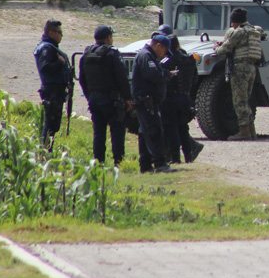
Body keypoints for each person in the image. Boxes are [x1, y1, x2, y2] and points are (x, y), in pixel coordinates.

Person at [78, 25, 133, 166]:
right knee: (117, 132)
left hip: (94, 99)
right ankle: (119, 162)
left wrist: (89, 95)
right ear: (108, 38)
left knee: (99, 132)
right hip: (112, 100)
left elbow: (82, 78)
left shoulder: (87, 53)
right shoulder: (112, 53)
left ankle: (99, 163)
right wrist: (128, 98)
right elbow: (122, 78)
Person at [214, 8, 265, 141]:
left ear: (236, 22)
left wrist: (217, 47)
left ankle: (244, 132)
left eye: (232, 23)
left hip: (240, 68)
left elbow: (224, 50)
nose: (231, 26)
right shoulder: (255, 30)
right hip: (252, 68)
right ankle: (251, 131)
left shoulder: (239, 32)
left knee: (239, 101)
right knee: (246, 100)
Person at [132, 34, 176, 173]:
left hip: (149, 101)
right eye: (164, 51)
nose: (164, 55)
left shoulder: (150, 56)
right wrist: (167, 75)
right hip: (146, 101)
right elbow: (152, 74)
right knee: (154, 131)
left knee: (145, 133)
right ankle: (159, 164)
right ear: (158, 46)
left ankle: (145, 165)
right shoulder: (146, 56)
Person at [161, 34, 204, 164]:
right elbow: (195, 78)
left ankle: (175, 158)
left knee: (173, 129)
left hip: (171, 99)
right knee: (184, 129)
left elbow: (162, 79)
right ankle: (189, 157)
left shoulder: (167, 61)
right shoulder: (189, 59)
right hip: (185, 98)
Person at [34, 19, 71, 151]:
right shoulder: (47, 48)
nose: (62, 35)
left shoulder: (51, 47)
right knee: (50, 124)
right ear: (51, 33)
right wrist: (60, 63)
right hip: (52, 91)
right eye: (59, 32)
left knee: (54, 125)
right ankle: (45, 152)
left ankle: (47, 150)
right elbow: (45, 67)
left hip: (57, 91)